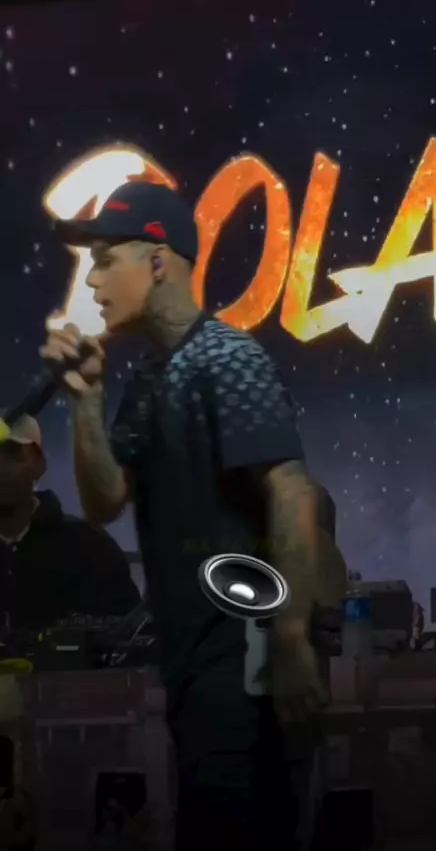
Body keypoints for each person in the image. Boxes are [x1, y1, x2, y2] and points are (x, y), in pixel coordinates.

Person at [41, 181, 326, 851]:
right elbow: (105, 501)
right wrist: (87, 400)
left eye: (105, 260)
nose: (93, 282)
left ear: (158, 261)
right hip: (193, 670)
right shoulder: (149, 378)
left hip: (243, 669)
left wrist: (291, 641)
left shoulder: (227, 358)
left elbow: (292, 492)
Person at [0, 413, 139, 637]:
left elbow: (131, 635)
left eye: (12, 455)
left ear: (39, 465)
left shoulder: (91, 547)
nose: (1, 467)